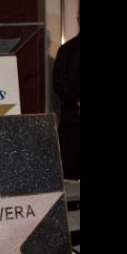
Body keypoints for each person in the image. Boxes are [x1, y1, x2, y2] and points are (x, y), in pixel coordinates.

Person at [53, 30, 80, 180]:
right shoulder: (67, 49)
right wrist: (76, 100)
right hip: (73, 121)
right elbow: (58, 83)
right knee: (71, 174)